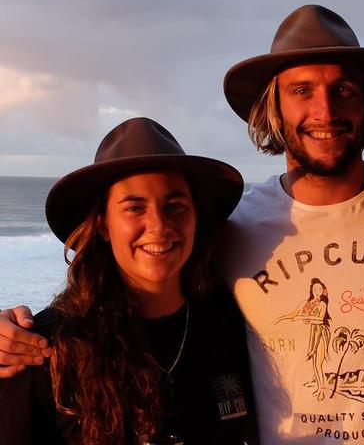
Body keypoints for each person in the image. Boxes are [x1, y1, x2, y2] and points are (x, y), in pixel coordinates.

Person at [0, 5, 364, 444]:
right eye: (302, 90)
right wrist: (14, 332)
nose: (325, 111)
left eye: (344, 89)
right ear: (274, 109)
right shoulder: (238, 227)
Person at [0, 117, 255, 444]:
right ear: (104, 225)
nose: (159, 225)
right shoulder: (45, 350)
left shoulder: (228, 322)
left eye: (174, 205)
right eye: (135, 207)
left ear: (196, 217)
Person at [273, 277, 332, 401]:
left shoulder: (322, 304)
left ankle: (321, 390)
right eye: (315, 288)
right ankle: (319, 387)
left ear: (322, 291)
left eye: (320, 288)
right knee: (315, 364)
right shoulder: (305, 303)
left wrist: (301, 318)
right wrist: (279, 319)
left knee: (318, 363)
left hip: (321, 332)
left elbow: (320, 319)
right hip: (314, 333)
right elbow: (293, 314)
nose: (317, 290)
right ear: (311, 290)